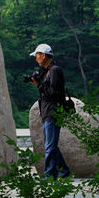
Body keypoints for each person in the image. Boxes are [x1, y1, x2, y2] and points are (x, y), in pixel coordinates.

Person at [27, 43, 71, 179]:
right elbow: (46, 93)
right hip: (48, 112)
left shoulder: (55, 71)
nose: (36, 59)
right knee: (51, 145)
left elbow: (54, 93)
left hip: (54, 112)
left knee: (50, 146)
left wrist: (39, 85)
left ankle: (50, 175)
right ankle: (64, 172)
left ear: (44, 55)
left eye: (37, 55)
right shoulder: (47, 72)